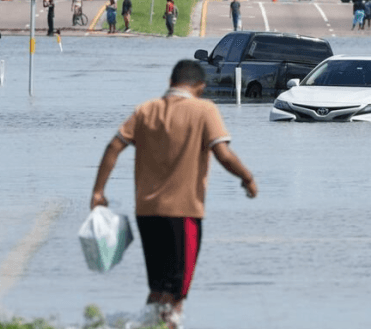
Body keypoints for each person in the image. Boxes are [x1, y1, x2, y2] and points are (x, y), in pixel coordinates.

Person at [90, 59, 258, 329]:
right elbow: (223, 154)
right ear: (200, 87)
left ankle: (145, 326)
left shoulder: (146, 110)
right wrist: (247, 178)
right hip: (184, 213)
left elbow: (113, 146)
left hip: (147, 212)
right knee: (177, 293)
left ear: (170, 82)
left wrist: (98, 192)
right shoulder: (205, 110)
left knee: (158, 289)